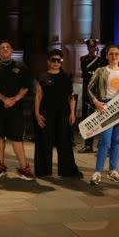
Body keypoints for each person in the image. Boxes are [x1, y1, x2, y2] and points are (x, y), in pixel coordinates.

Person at [0, 40, 34, 181]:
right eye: (2, 48)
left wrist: (14, 99)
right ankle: (0, 165)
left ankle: (24, 167)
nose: (5, 49)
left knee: (17, 138)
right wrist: (4, 99)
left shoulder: (21, 67)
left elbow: (26, 87)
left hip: (16, 110)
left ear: (11, 51)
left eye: (8, 47)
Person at [86, 45, 119, 184]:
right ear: (107, 56)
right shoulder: (100, 71)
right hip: (106, 108)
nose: (114, 56)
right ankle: (98, 172)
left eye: (116, 54)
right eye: (111, 54)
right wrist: (96, 102)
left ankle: (113, 170)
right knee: (105, 142)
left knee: (117, 142)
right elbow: (89, 88)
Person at [34, 49, 81, 178]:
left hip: (63, 112)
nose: (56, 63)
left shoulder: (66, 77)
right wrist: (37, 114)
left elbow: (71, 97)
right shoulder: (42, 76)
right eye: (53, 60)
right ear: (48, 62)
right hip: (46, 111)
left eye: (58, 60)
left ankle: (67, 170)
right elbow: (38, 96)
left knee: (64, 140)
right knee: (44, 140)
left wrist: (72, 113)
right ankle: (43, 170)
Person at [78, 38, 105, 153]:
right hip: (87, 90)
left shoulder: (101, 60)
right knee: (87, 118)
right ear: (88, 48)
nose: (92, 49)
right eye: (90, 47)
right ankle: (88, 145)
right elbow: (85, 71)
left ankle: (101, 143)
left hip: (97, 91)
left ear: (96, 48)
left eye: (94, 47)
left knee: (99, 118)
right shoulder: (83, 59)